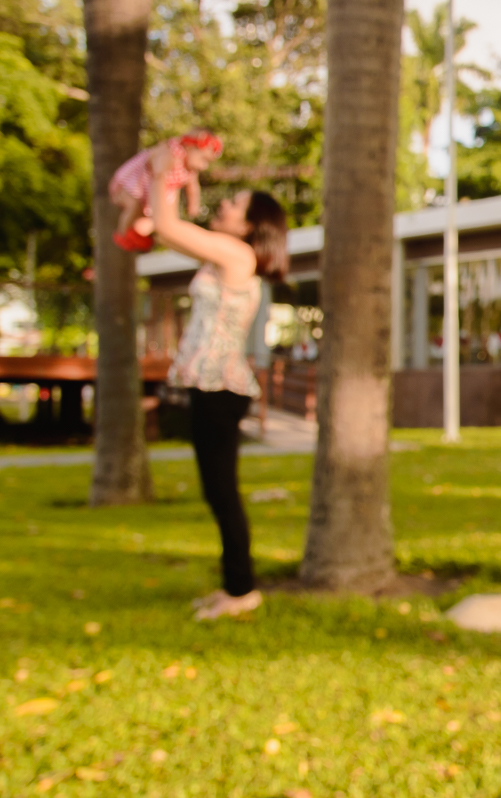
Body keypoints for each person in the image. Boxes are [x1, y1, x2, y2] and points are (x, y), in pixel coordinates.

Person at [147, 145, 289, 621]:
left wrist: (162, 173)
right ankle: (234, 586)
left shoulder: (237, 254)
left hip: (219, 388)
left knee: (222, 492)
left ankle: (242, 590)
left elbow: (167, 227)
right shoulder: (227, 253)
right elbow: (172, 227)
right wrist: (177, 179)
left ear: (250, 225)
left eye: (235, 204)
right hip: (210, 386)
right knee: (217, 491)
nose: (223, 206)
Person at [109, 129, 223, 252]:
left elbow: (193, 188)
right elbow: (159, 175)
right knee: (134, 206)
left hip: (152, 192)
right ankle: (122, 233)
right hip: (131, 184)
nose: (204, 166)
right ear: (190, 148)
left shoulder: (189, 170)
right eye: (203, 160)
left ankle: (137, 235)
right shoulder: (171, 154)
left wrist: (193, 207)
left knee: (150, 218)